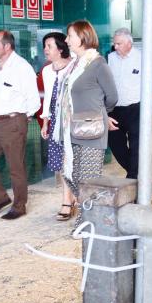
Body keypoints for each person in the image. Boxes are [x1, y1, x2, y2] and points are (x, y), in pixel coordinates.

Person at [58, 19, 118, 226]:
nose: (66, 40)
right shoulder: (75, 65)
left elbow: (112, 97)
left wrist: (101, 113)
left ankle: (87, 223)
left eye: (70, 36)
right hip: (73, 129)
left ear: (83, 38)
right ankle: (94, 214)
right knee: (72, 175)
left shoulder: (98, 64)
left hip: (92, 130)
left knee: (88, 180)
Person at [0, 30, 40, 220]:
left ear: (7, 46)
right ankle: (0, 198)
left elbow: (34, 99)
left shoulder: (22, 67)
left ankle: (19, 206)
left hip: (12, 121)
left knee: (15, 166)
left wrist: (22, 117)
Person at [106, 27, 152, 179]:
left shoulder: (143, 58)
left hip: (136, 109)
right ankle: (136, 174)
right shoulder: (110, 58)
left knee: (137, 145)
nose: (115, 47)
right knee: (115, 144)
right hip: (115, 109)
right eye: (115, 43)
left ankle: (132, 179)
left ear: (129, 43)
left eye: (119, 44)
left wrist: (146, 99)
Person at [39, 32, 76, 221]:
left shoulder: (74, 66)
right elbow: (47, 99)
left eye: (49, 46)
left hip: (71, 119)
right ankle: (67, 199)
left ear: (60, 48)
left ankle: (70, 199)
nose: (45, 50)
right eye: (45, 46)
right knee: (61, 161)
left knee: (71, 159)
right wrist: (45, 122)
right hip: (55, 121)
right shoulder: (46, 70)